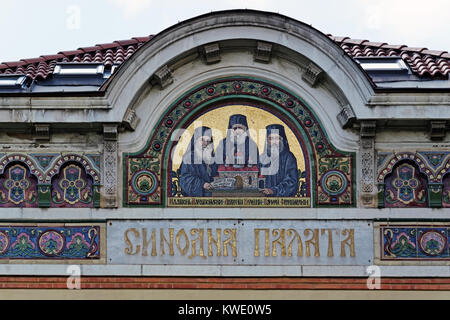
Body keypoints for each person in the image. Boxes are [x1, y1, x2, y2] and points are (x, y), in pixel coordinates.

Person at [259, 124, 299, 197]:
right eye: (271, 138)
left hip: (283, 201)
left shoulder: (289, 157)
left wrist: (273, 190)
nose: (274, 142)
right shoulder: (262, 158)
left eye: (277, 138)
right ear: (267, 141)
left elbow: (292, 182)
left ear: (282, 140)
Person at [179, 126, 218, 196]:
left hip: (213, 193)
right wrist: (202, 184)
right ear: (195, 140)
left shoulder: (211, 157)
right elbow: (185, 179)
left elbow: (216, 174)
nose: (205, 144)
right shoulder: (189, 157)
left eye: (208, 141)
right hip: (197, 195)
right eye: (202, 140)